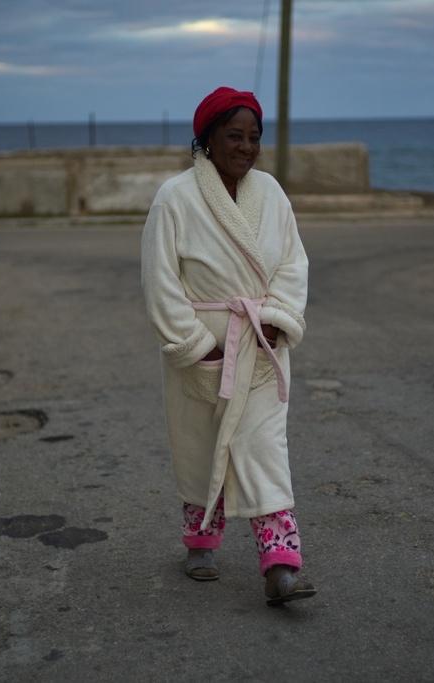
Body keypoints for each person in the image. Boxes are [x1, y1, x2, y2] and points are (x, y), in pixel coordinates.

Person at [140, 86, 315, 605]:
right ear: (207, 139)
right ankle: (200, 542)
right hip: (202, 348)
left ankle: (281, 565)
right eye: (234, 135)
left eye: (254, 137)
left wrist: (280, 318)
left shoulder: (272, 194)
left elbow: (293, 262)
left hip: (261, 345)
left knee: (265, 451)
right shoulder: (174, 198)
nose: (246, 146)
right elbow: (159, 279)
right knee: (199, 446)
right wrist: (194, 345)